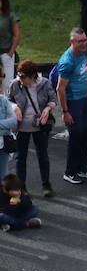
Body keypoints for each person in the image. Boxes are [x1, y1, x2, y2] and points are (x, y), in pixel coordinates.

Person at [54, 28, 87, 186]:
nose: (84, 43)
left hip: (84, 99)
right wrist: (65, 111)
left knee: (86, 134)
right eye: (80, 41)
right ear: (72, 41)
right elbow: (60, 88)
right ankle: (70, 171)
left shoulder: (83, 53)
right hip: (73, 102)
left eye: (85, 40)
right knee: (75, 137)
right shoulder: (67, 61)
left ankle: (81, 167)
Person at [9, 61, 58, 197]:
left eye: (24, 77)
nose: (21, 79)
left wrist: (48, 109)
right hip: (22, 127)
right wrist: (14, 107)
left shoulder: (45, 83)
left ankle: (46, 184)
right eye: (19, 76)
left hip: (39, 126)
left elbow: (53, 99)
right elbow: (9, 100)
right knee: (21, 158)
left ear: (33, 76)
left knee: (43, 156)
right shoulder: (15, 84)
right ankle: (22, 187)